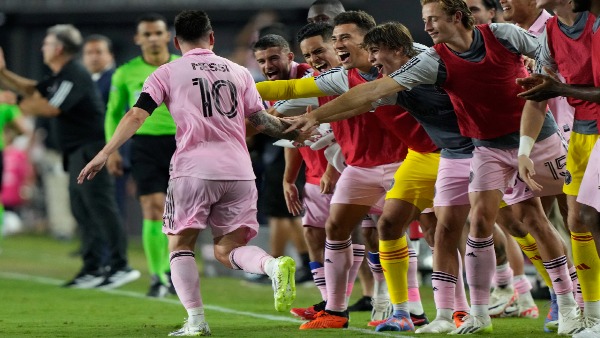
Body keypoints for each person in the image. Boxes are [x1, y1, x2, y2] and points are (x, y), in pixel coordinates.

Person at [280, 0, 584, 334]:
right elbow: (365, 96)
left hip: (535, 138)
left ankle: (569, 302)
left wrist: (546, 72)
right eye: (424, 20)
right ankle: (464, 313)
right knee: (463, 226)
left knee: (550, 220)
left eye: (432, 19)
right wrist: (312, 117)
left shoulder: (500, 35)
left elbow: (553, 51)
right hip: (472, 149)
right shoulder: (427, 63)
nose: (426, 26)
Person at [78, 10, 301, 337]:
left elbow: (137, 115)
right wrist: (298, 132)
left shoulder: (166, 72)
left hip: (193, 170)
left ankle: (196, 321)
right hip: (239, 171)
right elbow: (262, 122)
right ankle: (271, 265)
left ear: (175, 41)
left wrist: (105, 152)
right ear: (211, 38)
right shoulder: (240, 72)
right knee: (227, 250)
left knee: (180, 246)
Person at [257, 11, 439, 331]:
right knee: (339, 228)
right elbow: (286, 96)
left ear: (367, 42)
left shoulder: (409, 60)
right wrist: (241, 87)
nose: (317, 57)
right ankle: (338, 309)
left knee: (436, 230)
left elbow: (366, 98)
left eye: (332, 45)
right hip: (359, 167)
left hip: (412, 160)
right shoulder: (336, 77)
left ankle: (437, 306)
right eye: (310, 54)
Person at [0, 24, 140, 289]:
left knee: (100, 206)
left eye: (47, 43)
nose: (43, 48)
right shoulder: (60, 75)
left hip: (91, 148)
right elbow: (34, 89)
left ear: (59, 48)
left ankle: (121, 265)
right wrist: (3, 73)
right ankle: (93, 267)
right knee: (82, 209)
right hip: (76, 149)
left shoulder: (73, 73)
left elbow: (50, 107)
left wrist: (14, 102)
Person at [517, 0, 600, 331]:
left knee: (591, 215)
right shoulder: (550, 32)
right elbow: (540, 92)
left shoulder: (595, 25)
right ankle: (591, 316)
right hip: (581, 132)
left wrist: (560, 89)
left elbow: (556, 88)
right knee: (576, 221)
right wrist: (523, 150)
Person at [104, 13, 180, 297]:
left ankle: (175, 270)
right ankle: (158, 275)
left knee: (179, 214)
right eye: (146, 34)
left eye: (157, 33)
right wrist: (111, 151)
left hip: (182, 143)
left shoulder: (182, 67)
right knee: (152, 208)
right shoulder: (125, 73)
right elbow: (113, 114)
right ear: (138, 39)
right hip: (144, 145)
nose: (152, 38)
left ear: (167, 37)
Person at [251, 33, 314, 284]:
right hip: (293, 150)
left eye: (273, 58)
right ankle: (295, 266)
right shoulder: (273, 85)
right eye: (262, 61)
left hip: (320, 155)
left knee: (290, 214)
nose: (268, 66)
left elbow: (291, 124)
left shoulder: (308, 76)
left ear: (290, 56)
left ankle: (305, 265)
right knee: (284, 211)